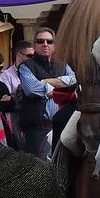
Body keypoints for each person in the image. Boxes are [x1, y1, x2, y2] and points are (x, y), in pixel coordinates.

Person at [17, 27, 76, 159]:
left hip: (63, 126)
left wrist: (45, 81)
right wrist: (60, 89)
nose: (45, 44)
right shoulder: (26, 66)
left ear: (54, 45)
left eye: (49, 41)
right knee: (38, 169)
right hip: (38, 128)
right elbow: (31, 89)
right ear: (34, 45)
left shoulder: (62, 65)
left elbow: (74, 81)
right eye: (40, 41)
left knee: (61, 166)